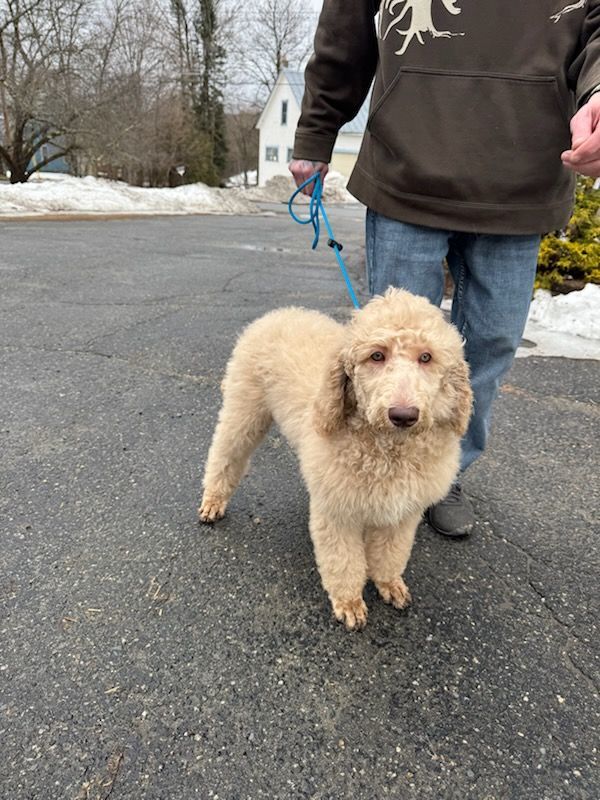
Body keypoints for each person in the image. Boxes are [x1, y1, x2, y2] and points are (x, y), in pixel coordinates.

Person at [289, 0, 600, 537]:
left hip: (522, 177)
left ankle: (445, 470)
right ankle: (372, 466)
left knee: (490, 347)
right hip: (406, 166)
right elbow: (346, 29)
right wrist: (317, 130)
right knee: (389, 354)